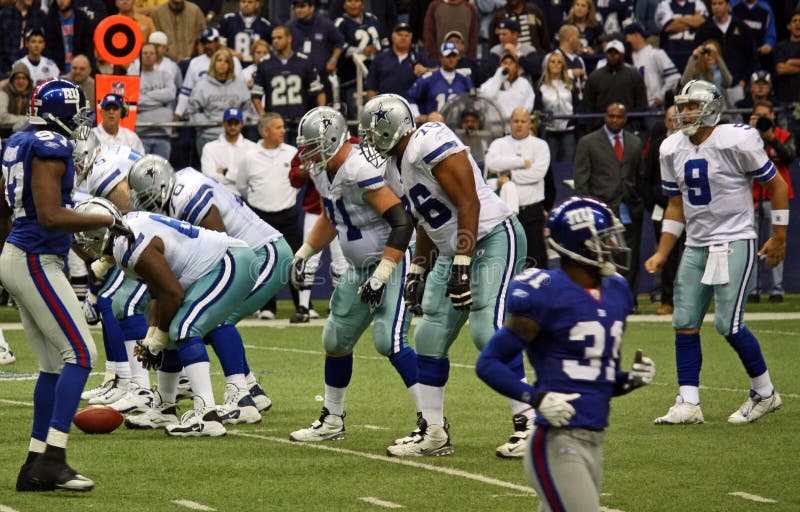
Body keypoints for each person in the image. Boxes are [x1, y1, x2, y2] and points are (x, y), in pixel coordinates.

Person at [359, 94, 528, 458]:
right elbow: (427, 222)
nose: (370, 141)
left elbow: (469, 203)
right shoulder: (396, 166)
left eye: (373, 133)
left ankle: (531, 423)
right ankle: (433, 432)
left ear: (392, 127)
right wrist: (418, 269)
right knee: (429, 334)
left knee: (488, 331)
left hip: (494, 236)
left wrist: (463, 266)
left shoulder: (430, 139)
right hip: (455, 249)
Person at [476, 196, 656, 511]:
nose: (613, 245)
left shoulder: (616, 291)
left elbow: (593, 381)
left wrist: (629, 380)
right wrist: (537, 398)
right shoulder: (544, 291)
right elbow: (488, 363)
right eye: (604, 238)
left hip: (595, 440)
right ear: (580, 245)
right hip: (556, 442)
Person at [0, 78, 129, 492]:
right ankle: (54, 458)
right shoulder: (49, 146)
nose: (82, 120)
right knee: (80, 354)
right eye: (77, 112)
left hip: (25, 255)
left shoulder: (20, 140)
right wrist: (107, 218)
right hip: (35, 257)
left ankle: (36, 464)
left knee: (54, 365)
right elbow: (51, 215)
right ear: (59, 113)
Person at [645, 79, 786, 425]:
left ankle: (765, 393)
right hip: (696, 242)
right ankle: (689, 401)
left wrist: (779, 237)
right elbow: (675, 204)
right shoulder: (670, 148)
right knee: (684, 321)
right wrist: (663, 251)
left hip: (735, 237)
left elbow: (776, 184)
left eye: (693, 105)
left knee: (729, 323)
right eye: (683, 105)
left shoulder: (736, 139)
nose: (685, 112)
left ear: (711, 107)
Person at [288, 106, 422, 444]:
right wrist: (305, 252)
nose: (308, 155)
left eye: (313, 147)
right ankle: (333, 420)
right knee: (335, 340)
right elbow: (333, 216)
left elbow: (402, 222)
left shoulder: (359, 168)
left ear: (332, 140)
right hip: (358, 268)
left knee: (389, 341)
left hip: (389, 261)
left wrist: (382, 274)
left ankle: (432, 425)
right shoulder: (325, 170)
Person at [74, 198, 258, 436]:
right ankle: (164, 408)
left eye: (86, 240)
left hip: (230, 260)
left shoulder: (129, 244)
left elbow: (172, 295)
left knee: (183, 329)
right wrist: (152, 336)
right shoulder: (125, 234)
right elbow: (157, 291)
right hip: (218, 263)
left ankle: (207, 416)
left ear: (98, 236)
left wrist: (156, 340)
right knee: (171, 332)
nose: (85, 246)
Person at [127, 154, 290, 422]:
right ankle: (250, 388)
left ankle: (240, 396)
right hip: (246, 255)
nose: (145, 205)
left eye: (148, 197)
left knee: (214, 315)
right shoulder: (175, 193)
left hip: (263, 254)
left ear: (165, 187)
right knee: (197, 314)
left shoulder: (187, 196)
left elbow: (220, 247)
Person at [574, 103, 645, 312]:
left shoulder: (635, 142)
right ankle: (600, 302)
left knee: (630, 256)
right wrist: (589, 209)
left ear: (626, 118)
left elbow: (639, 175)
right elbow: (581, 180)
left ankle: (629, 301)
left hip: (629, 208)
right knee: (600, 257)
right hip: (601, 210)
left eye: (619, 116)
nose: (614, 120)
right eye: (610, 116)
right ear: (605, 116)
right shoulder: (588, 142)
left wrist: (637, 202)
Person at [236, 113, 306, 321]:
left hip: (288, 214)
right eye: (278, 127)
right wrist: (261, 203)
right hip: (261, 216)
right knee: (264, 261)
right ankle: (266, 307)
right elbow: (242, 186)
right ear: (264, 132)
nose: (283, 131)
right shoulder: (249, 156)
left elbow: (296, 183)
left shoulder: (292, 152)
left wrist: (285, 200)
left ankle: (302, 306)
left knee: (296, 259)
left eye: (283, 126)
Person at [485, 107, 551, 269]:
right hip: (503, 215)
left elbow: (537, 173)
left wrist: (510, 176)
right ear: (509, 123)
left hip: (532, 213)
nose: (519, 125)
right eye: (516, 121)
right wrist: (521, 163)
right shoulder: (498, 144)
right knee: (505, 259)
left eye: (523, 121)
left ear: (530, 123)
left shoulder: (540, 145)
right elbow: (491, 163)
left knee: (536, 260)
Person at [747, 100, 795, 303]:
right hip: (753, 198)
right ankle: (752, 290)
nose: (763, 119)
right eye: (758, 116)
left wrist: (772, 139)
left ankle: (776, 289)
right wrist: (752, 132)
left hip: (777, 199)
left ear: (773, 116)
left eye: (765, 115)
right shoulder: (747, 139)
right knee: (752, 245)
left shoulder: (784, 136)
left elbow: (790, 157)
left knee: (777, 242)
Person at [251, 25, 326, 142]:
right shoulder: (264, 64)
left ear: (289, 38)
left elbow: (319, 92)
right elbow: (256, 95)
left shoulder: (304, 61)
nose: (275, 41)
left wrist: (320, 113)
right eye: (273, 38)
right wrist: (263, 116)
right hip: (276, 123)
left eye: (279, 37)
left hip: (300, 120)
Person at [187, 47, 252, 156]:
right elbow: (192, 110)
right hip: (208, 136)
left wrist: (238, 122)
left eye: (226, 61)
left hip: (234, 137)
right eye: (219, 60)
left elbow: (247, 108)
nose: (222, 64)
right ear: (214, 63)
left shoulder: (239, 85)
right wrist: (206, 124)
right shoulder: (202, 85)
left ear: (230, 65)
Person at [406, 42, 474, 123]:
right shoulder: (429, 78)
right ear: (441, 57)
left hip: (457, 128)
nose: (451, 59)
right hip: (433, 128)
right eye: (448, 56)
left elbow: (473, 102)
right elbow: (410, 97)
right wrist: (418, 116)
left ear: (458, 57)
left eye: (454, 56)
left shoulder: (465, 80)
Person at [201, 107, 259, 194]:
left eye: (236, 123)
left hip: (245, 197)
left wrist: (225, 172)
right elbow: (209, 177)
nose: (233, 126)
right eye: (229, 123)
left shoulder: (253, 148)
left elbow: (253, 178)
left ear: (241, 124)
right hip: (218, 195)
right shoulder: (209, 148)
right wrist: (239, 177)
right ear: (223, 124)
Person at [537, 52, 580, 164]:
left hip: (568, 130)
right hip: (549, 131)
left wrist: (573, 122)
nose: (556, 64)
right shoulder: (541, 86)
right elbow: (538, 109)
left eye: (559, 62)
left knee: (569, 163)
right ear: (548, 65)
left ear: (563, 66)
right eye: (553, 62)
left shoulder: (570, 85)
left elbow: (576, 106)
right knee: (550, 164)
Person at [136, 42, 176, 159]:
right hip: (140, 135)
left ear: (156, 56)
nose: (148, 56)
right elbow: (135, 101)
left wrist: (146, 94)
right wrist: (161, 102)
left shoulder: (165, 75)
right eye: (145, 53)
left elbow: (170, 95)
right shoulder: (133, 76)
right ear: (140, 56)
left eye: (151, 53)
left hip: (163, 134)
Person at [479, 51, 536, 120]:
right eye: (505, 63)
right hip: (496, 124)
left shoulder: (524, 83)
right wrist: (498, 78)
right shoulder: (492, 82)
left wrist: (519, 117)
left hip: (517, 123)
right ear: (500, 66)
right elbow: (487, 98)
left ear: (516, 67)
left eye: (511, 63)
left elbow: (529, 104)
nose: (507, 66)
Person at [219, 0, 272, 66]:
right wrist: (231, 52)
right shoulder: (228, 20)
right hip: (232, 65)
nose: (246, 5)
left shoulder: (265, 25)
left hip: (257, 67)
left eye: (250, 2)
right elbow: (219, 45)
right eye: (243, 1)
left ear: (257, 4)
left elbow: (269, 51)